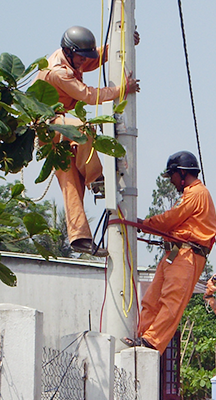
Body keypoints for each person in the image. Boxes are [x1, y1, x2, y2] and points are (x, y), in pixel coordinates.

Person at [36, 26, 140, 256]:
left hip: (57, 126)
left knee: (71, 183)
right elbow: (88, 95)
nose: (84, 62)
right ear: (68, 51)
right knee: (83, 130)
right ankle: (96, 179)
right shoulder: (58, 71)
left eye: (86, 56)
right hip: (48, 125)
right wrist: (123, 89)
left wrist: (120, 46)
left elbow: (94, 60)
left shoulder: (73, 59)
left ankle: (79, 238)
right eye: (81, 57)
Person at [123, 150, 216, 353]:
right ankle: (142, 335)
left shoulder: (197, 193)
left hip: (187, 253)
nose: (171, 181)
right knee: (152, 299)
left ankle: (151, 342)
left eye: (172, 176)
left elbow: (170, 219)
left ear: (181, 173)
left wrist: (146, 224)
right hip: (175, 251)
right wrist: (147, 225)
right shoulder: (189, 194)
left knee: (171, 300)